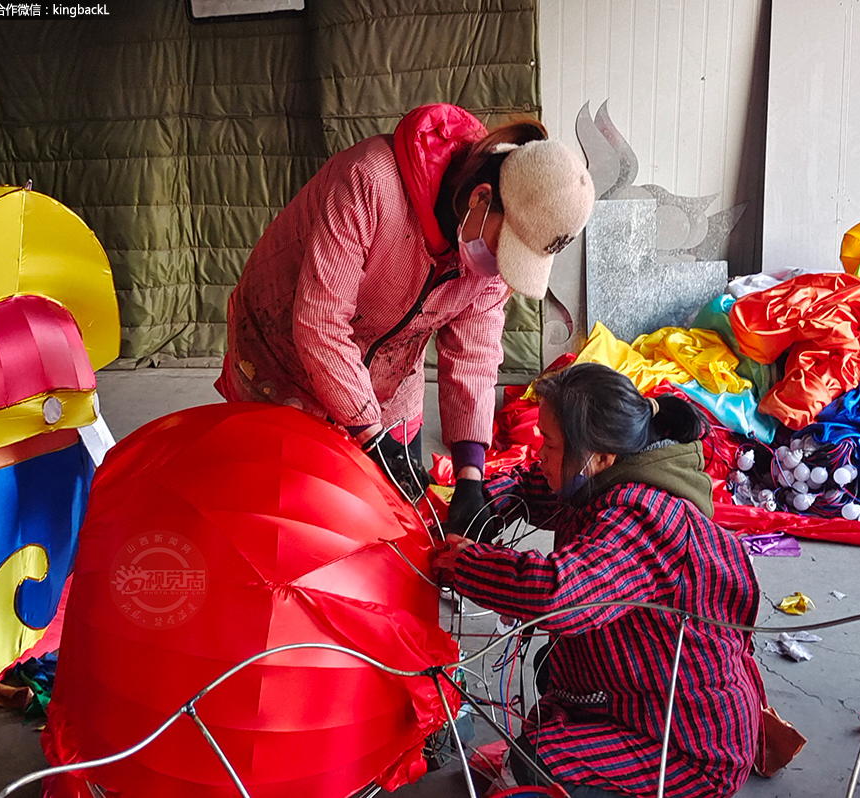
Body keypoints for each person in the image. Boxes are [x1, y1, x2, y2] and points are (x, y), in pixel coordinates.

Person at [216, 103, 594, 532]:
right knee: (287, 514)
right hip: (284, 353)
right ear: (481, 198)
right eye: (504, 247)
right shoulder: (370, 181)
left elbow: (474, 354)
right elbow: (320, 324)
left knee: (392, 520)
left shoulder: (490, 251)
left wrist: (471, 473)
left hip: (390, 377)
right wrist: (370, 435)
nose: (499, 267)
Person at [433, 363, 763, 797]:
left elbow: (557, 594)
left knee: (534, 760)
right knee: (551, 673)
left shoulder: (643, 517)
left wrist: (466, 563)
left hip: (687, 744)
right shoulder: (606, 475)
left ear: (599, 456)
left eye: (549, 445)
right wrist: (483, 502)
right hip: (633, 697)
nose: (540, 456)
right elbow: (533, 485)